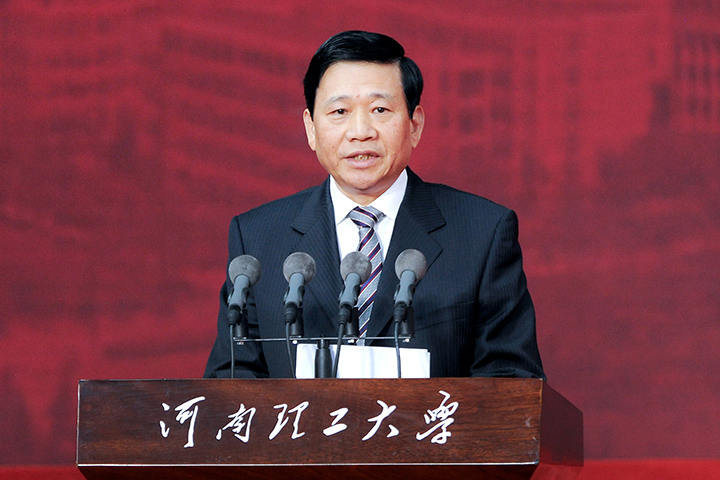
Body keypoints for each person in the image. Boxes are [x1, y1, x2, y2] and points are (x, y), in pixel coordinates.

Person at [203, 30, 544, 379]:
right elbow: (232, 379)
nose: (360, 131)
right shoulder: (257, 237)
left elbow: (511, 380)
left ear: (414, 125)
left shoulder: (483, 233)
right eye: (339, 111)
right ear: (311, 128)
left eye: (380, 109)